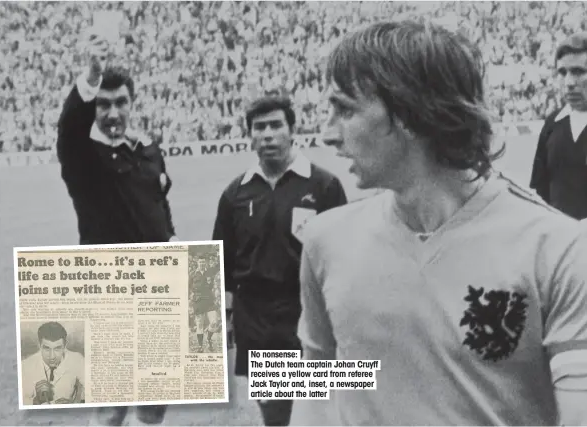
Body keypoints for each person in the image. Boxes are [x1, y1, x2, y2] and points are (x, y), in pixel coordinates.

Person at [292, 21, 587, 426]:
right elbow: (315, 387)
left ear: (411, 114)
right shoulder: (325, 240)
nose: (327, 134)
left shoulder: (560, 249)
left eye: (345, 109)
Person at [57, 32, 176, 426]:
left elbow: (160, 204)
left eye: (120, 102)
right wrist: (91, 75)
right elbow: (70, 127)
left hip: (158, 286)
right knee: (111, 403)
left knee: (155, 400)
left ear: (132, 104)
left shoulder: (148, 149)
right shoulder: (82, 154)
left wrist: (173, 242)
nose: (112, 113)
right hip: (109, 289)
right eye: (103, 104)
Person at [212, 95, 348, 426]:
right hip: (256, 316)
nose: (268, 134)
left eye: (276, 125)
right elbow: (221, 262)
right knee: (273, 409)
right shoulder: (235, 194)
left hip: (305, 310)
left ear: (292, 131)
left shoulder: (324, 185)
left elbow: (343, 255)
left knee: (313, 409)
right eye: (260, 127)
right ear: (250, 136)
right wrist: (226, 316)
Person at [530, 31, 587, 221]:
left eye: (579, 72)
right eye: (562, 72)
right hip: (559, 244)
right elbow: (539, 191)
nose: (569, 82)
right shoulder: (552, 124)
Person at [21, 322, 85, 406]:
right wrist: (36, 402)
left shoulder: (77, 359)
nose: (52, 356)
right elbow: (19, 402)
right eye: (47, 348)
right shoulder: (25, 366)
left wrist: (75, 405)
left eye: (57, 348)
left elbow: (92, 390)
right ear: (39, 345)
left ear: (65, 346)